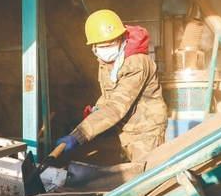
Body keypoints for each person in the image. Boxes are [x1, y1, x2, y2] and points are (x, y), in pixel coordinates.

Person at [56, 9, 168, 163]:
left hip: (145, 132)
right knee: (127, 176)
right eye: (102, 45)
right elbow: (111, 92)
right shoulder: (107, 62)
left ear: (122, 38)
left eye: (112, 42)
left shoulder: (136, 63)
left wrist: (78, 135)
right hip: (126, 130)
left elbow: (116, 107)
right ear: (93, 47)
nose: (107, 48)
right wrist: (99, 108)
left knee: (145, 179)